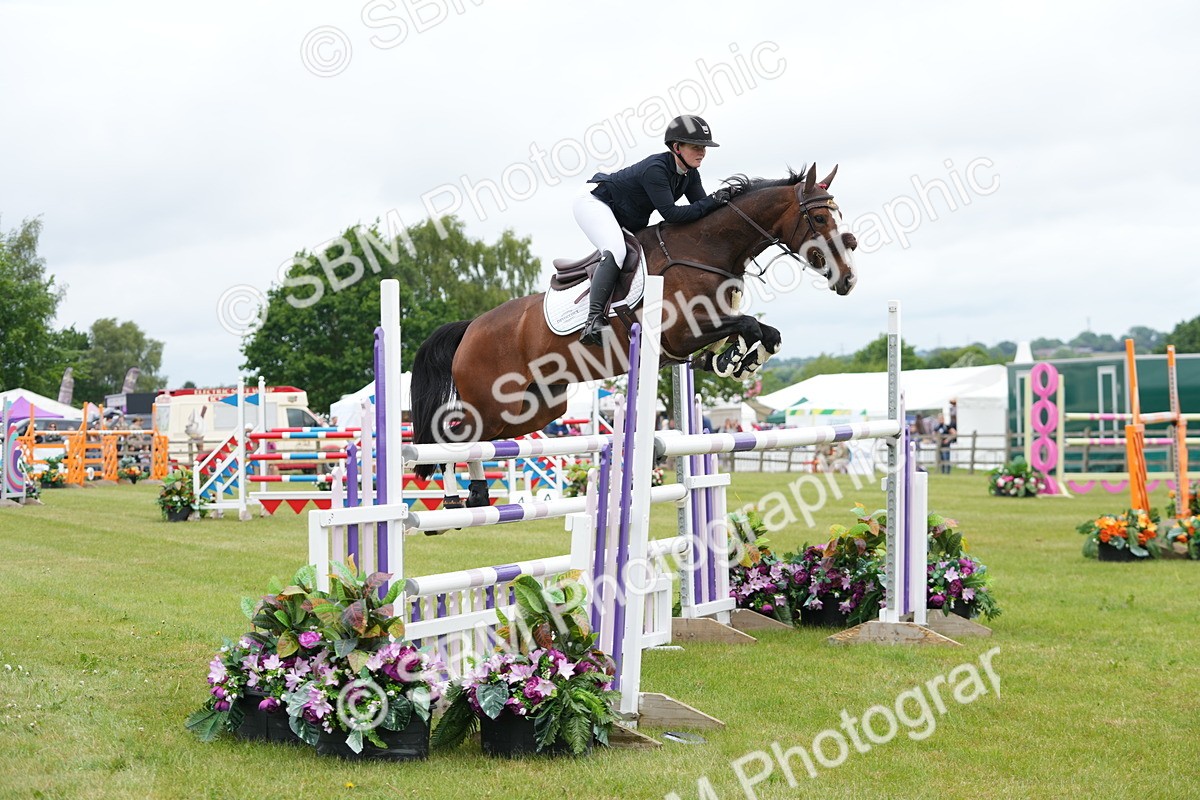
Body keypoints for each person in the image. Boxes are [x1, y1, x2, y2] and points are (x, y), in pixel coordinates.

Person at [573, 114, 738, 346]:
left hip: (626, 213)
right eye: (696, 147)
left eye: (704, 148)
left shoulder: (690, 174)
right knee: (616, 251)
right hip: (594, 202)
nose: (702, 152)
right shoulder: (656, 169)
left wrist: (728, 204)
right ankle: (593, 320)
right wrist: (712, 200)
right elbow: (671, 214)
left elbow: (702, 212)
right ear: (676, 147)